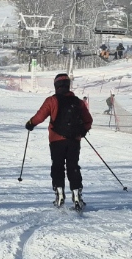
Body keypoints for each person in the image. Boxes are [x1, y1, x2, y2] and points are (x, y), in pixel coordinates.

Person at [25, 72, 93, 208]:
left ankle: (59, 193)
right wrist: (83, 131)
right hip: (74, 140)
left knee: (57, 166)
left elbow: (40, 116)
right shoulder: (78, 102)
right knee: (73, 166)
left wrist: (30, 123)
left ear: (56, 86)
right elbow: (88, 120)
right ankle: (76, 193)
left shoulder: (52, 100)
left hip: (56, 140)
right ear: (68, 85)